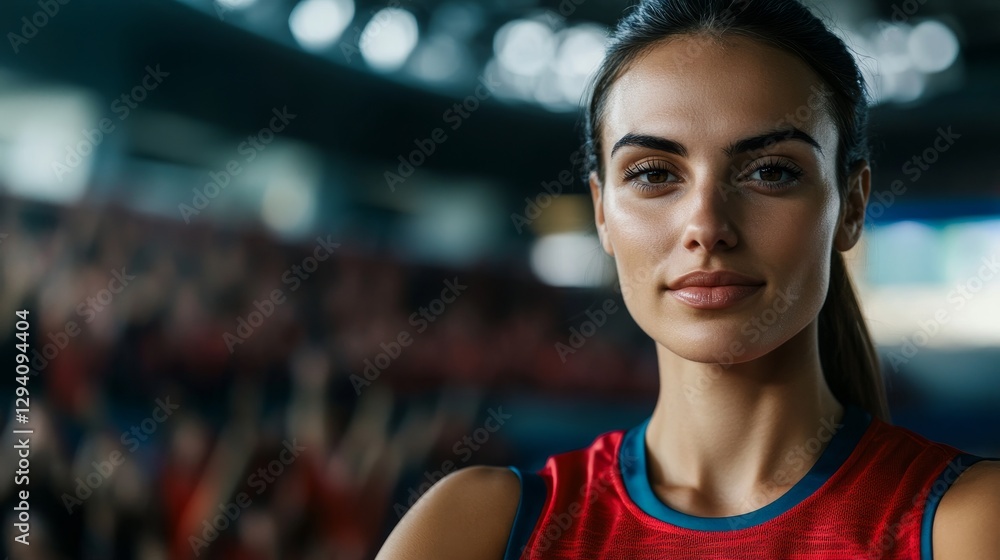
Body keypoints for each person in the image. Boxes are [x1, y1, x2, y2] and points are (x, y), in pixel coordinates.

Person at [373, 0, 1000, 558]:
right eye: (653, 173)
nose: (706, 225)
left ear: (852, 205)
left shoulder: (968, 523)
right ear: (601, 212)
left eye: (772, 172)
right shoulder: (477, 528)